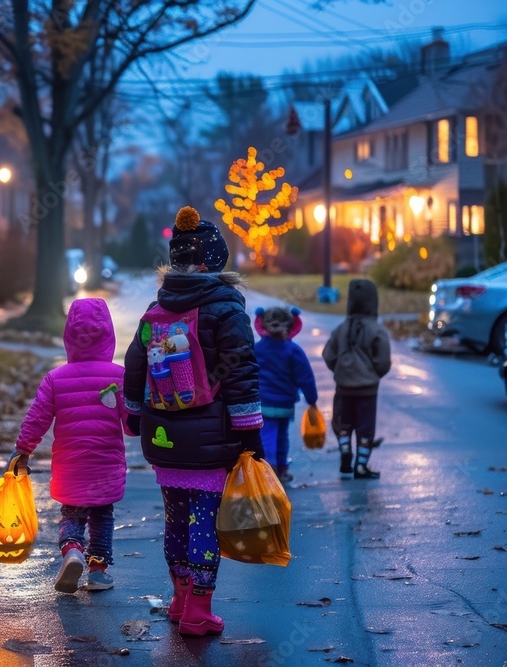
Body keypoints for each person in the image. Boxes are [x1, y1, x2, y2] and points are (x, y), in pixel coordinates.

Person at [124, 206, 264, 637]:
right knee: (204, 519)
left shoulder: (155, 309)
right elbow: (240, 373)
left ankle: (180, 597)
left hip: (163, 434)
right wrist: (251, 435)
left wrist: (133, 415)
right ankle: (199, 610)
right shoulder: (227, 309)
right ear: (214, 263)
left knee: (174, 517)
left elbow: (135, 364)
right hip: (209, 438)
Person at [10, 297, 127, 594]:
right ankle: (98, 571)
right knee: (102, 515)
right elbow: (131, 423)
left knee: (72, 513)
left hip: (70, 466)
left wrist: (23, 449)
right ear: (108, 335)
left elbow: (36, 418)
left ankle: (72, 550)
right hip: (106, 464)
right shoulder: (118, 376)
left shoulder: (55, 379)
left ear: (69, 338)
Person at [322, 279, 391, 480]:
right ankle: (361, 467)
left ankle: (345, 454)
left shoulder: (341, 329)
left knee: (342, 423)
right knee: (365, 428)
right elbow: (384, 360)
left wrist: (340, 370)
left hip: (343, 387)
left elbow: (328, 354)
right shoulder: (377, 330)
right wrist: (373, 374)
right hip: (367, 390)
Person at [254, 306, 318, 483]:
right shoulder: (293, 350)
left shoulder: (257, 349)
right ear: (291, 326)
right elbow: (306, 377)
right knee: (282, 436)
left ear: (262, 325)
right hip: (285, 405)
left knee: (267, 436)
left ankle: (269, 471)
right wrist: (312, 399)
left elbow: (248, 373)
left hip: (264, 403)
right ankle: (282, 469)